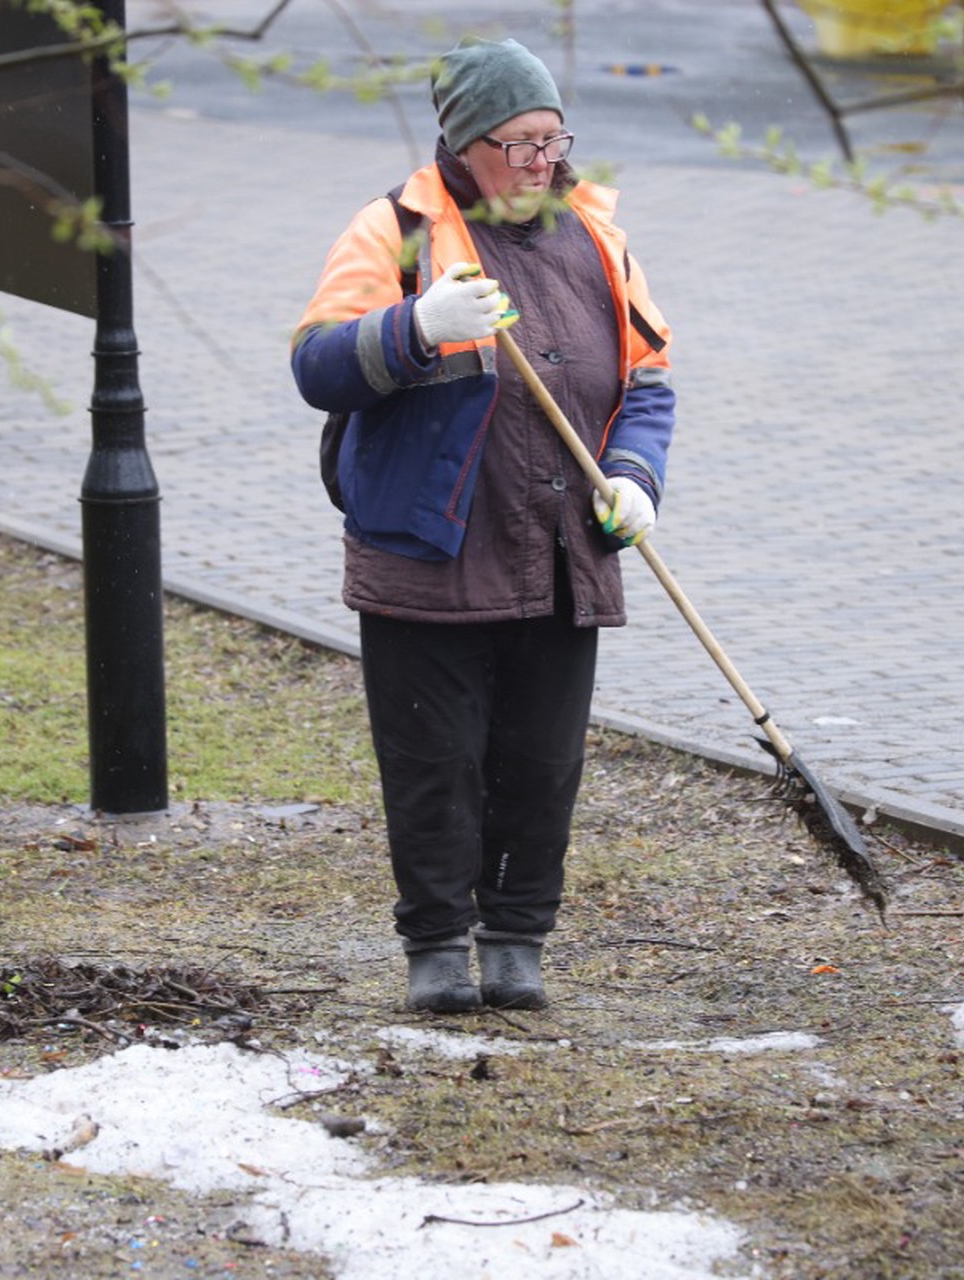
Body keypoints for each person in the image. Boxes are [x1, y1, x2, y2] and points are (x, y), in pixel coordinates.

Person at [290, 37, 676, 1013]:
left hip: (557, 553)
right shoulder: (399, 231)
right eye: (522, 143)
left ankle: (515, 936)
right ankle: (433, 943)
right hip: (430, 552)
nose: (545, 163)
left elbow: (648, 382)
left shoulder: (596, 239)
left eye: (556, 140)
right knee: (435, 759)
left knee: (541, 760)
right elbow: (318, 366)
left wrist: (634, 477)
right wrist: (416, 327)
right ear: (465, 143)